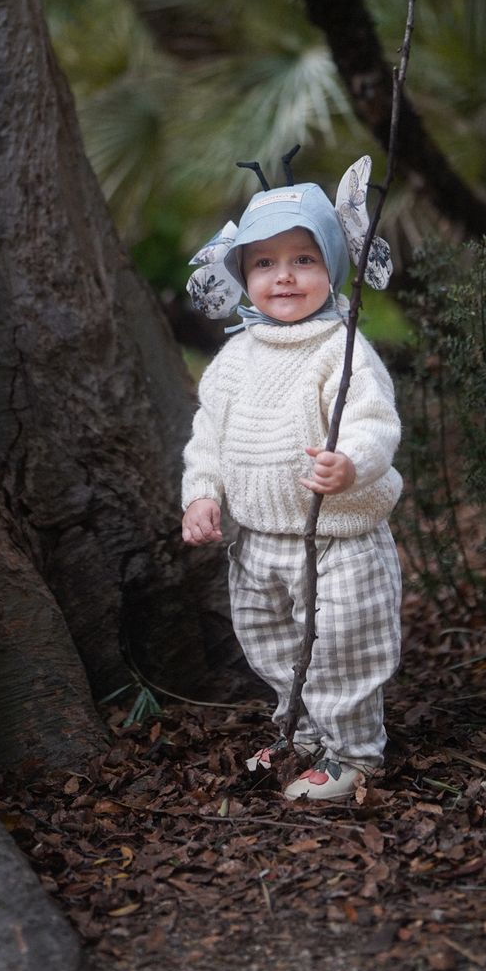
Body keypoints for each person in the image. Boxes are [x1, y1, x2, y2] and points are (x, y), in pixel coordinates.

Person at [181, 156, 403, 802]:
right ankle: (301, 733)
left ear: (331, 267)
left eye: (303, 260)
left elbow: (373, 421)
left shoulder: (343, 345)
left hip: (337, 535)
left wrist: (351, 462)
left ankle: (354, 754)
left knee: (342, 644)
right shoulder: (234, 359)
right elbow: (208, 437)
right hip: (258, 539)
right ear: (243, 274)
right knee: (273, 641)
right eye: (264, 263)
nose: (283, 276)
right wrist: (201, 493)